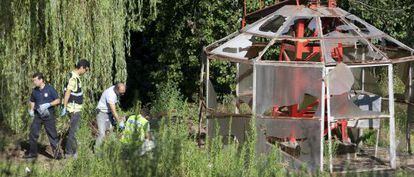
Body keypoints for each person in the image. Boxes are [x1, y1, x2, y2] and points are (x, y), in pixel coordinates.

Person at [24, 73, 62, 159]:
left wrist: (48, 104)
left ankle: (58, 155)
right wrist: (31, 109)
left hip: (48, 115)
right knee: (33, 134)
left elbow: (58, 100)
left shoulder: (50, 89)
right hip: (38, 116)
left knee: (52, 135)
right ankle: (33, 153)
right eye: (33, 80)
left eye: (35, 80)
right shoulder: (35, 91)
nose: (34, 82)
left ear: (41, 80)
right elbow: (32, 100)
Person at [61, 59, 90, 158]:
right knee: (73, 131)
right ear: (82, 67)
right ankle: (69, 153)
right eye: (86, 70)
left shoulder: (72, 75)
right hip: (74, 109)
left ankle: (72, 151)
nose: (86, 72)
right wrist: (64, 106)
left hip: (74, 108)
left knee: (73, 130)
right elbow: (67, 93)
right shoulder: (73, 78)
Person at [95, 83, 126, 149]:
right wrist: (119, 122)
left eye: (123, 93)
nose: (122, 95)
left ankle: (110, 148)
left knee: (111, 131)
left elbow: (113, 109)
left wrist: (119, 118)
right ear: (117, 89)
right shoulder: (110, 94)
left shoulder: (115, 89)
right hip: (102, 113)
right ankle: (97, 151)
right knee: (102, 134)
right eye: (121, 93)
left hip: (109, 113)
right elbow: (113, 111)